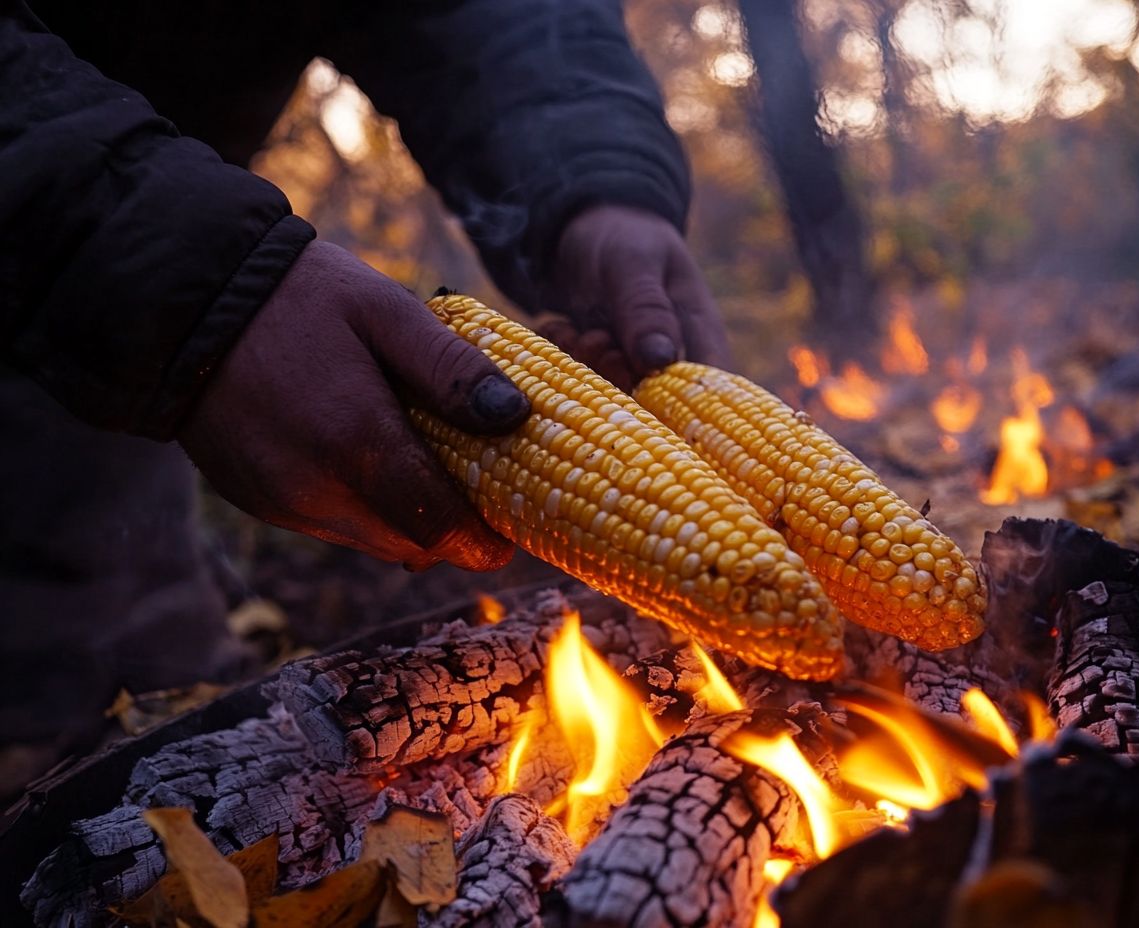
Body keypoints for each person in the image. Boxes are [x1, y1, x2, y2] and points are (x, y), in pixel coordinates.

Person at [0, 0, 730, 777]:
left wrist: (595, 180)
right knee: (45, 682)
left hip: (135, 246)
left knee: (150, 668)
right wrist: (187, 267)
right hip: (84, 205)